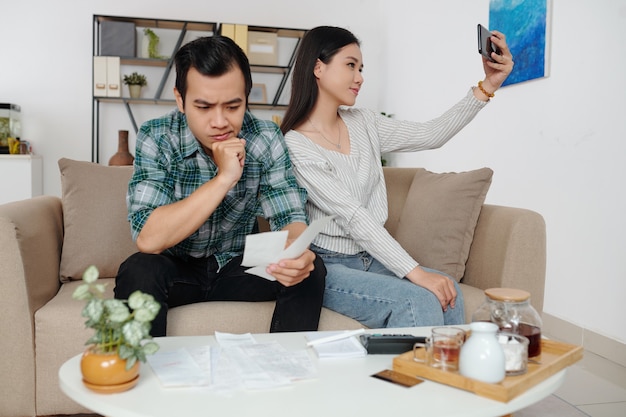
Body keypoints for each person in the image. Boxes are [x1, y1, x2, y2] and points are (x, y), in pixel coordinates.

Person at [280, 26, 513, 328]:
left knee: (447, 288)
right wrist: (415, 272)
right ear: (317, 67)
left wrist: (489, 85)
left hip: (370, 258)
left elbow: (431, 134)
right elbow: (354, 217)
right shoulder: (296, 144)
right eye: (350, 65)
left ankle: (450, 374)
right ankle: (420, 375)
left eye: (361, 68)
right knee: (416, 298)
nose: (360, 77)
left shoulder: (363, 122)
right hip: (329, 265)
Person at [114, 35, 326, 337]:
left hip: (240, 267)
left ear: (246, 97)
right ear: (180, 100)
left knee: (311, 270)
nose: (219, 122)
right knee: (138, 269)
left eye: (233, 106)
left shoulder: (265, 137)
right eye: (203, 107)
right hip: (179, 269)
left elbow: (289, 215)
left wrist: (296, 252)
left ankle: (286, 372)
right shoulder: (157, 136)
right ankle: (144, 376)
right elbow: (149, 239)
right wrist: (223, 178)